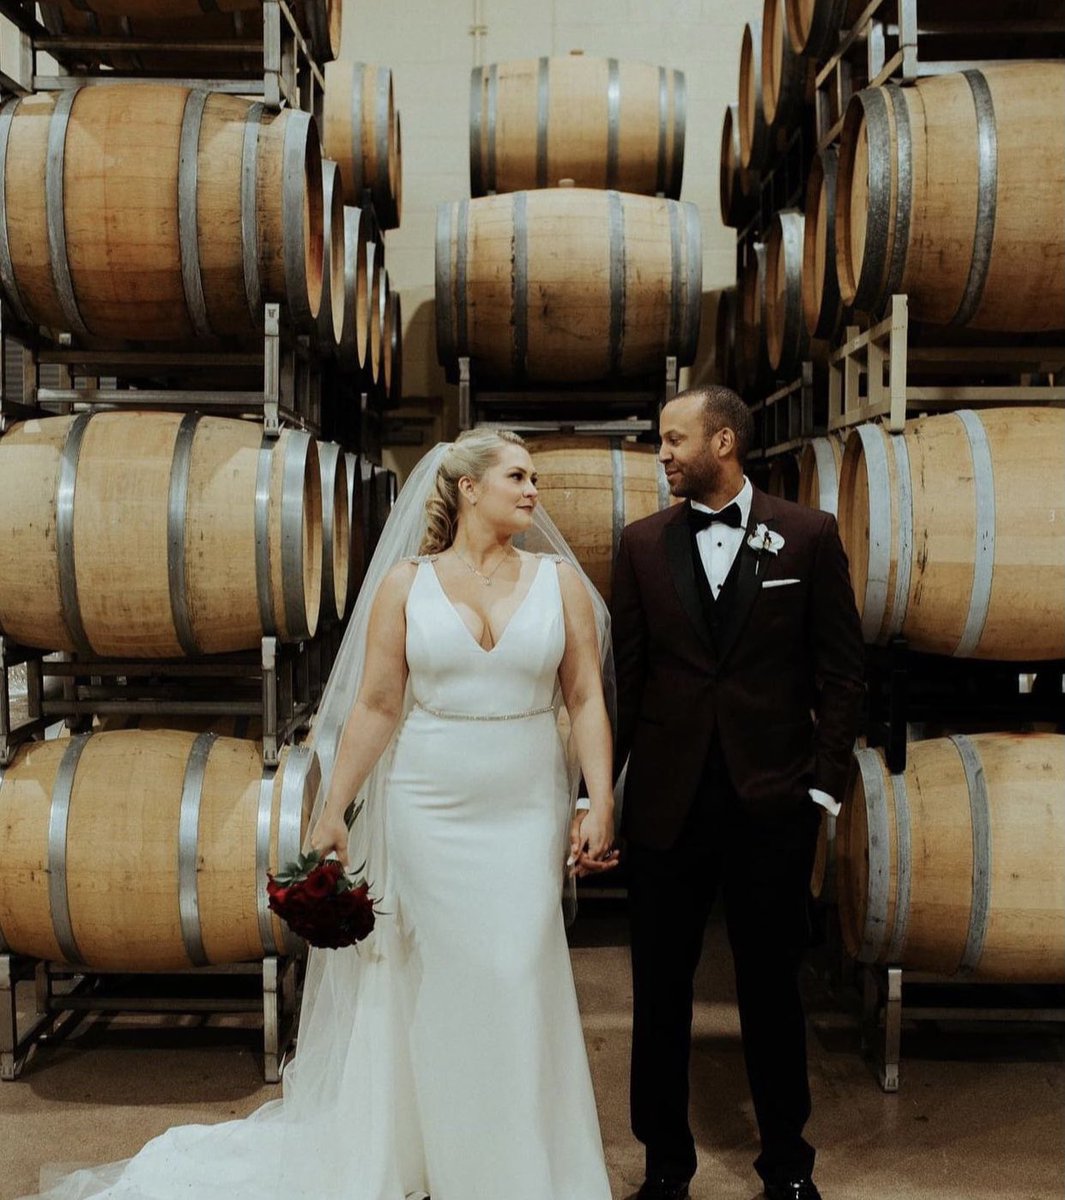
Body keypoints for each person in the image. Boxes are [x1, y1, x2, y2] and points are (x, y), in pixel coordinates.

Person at [23, 430, 619, 1200]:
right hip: (429, 802)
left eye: (532, 477)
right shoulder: (408, 584)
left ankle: (518, 1160)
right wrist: (332, 808)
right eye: (517, 476)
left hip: (524, 800)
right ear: (467, 488)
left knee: (515, 968)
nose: (533, 491)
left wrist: (596, 799)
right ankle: (435, 1150)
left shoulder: (559, 583)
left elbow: (584, 700)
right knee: (434, 973)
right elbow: (375, 705)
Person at [611, 387, 865, 1200]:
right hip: (666, 805)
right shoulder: (641, 544)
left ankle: (786, 1163)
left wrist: (822, 791)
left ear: (723, 442)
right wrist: (600, 797)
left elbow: (840, 671)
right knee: (658, 992)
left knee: (769, 990)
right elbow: (627, 681)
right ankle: (664, 1164)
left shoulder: (806, 535)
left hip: (772, 807)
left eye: (673, 439)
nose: (661, 453)